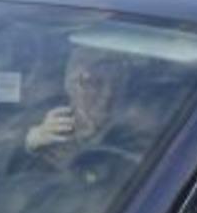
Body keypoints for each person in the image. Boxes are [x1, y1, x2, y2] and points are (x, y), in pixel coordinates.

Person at [24, 45, 129, 174]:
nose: (108, 93)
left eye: (116, 83)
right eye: (95, 83)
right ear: (72, 86)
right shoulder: (45, 122)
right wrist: (33, 144)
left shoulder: (130, 131)